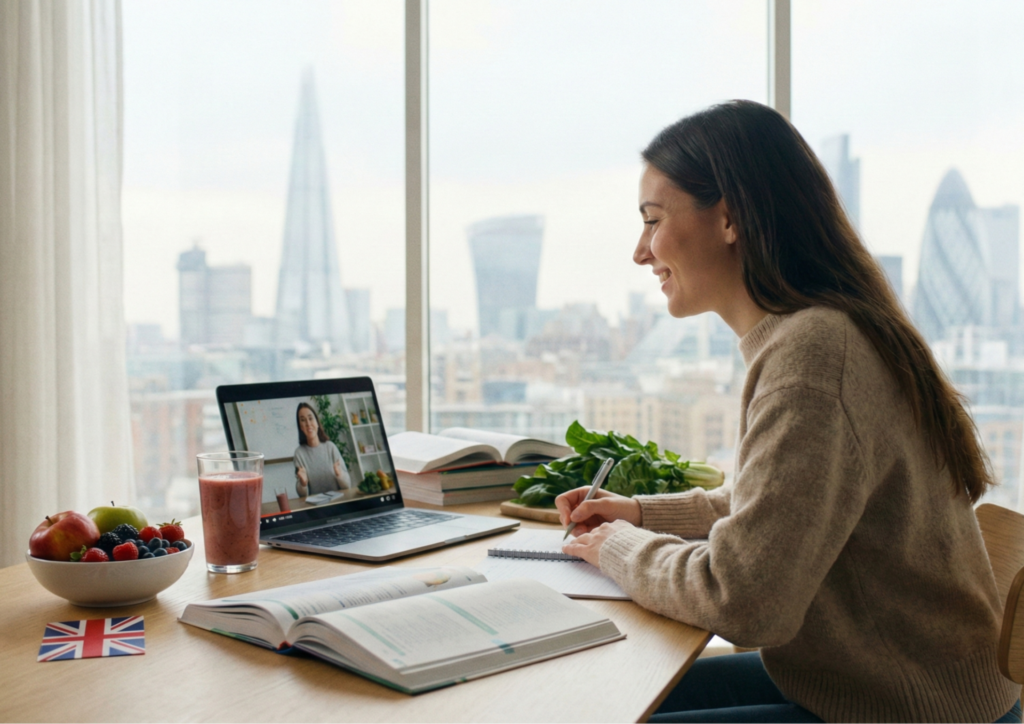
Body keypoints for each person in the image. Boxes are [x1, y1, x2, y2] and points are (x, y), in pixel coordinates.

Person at [557, 100, 1021, 723]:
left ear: (729, 219)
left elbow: (745, 600)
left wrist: (617, 546)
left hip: (903, 709)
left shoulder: (815, 354)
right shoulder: (819, 334)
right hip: (875, 687)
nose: (641, 251)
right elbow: (782, 511)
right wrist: (639, 513)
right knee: (602, 700)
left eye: (652, 220)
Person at [293, 402, 350, 498]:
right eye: (303, 420)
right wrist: (303, 483)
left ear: (317, 423)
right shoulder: (299, 454)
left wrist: (340, 475)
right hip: (316, 508)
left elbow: (347, 485)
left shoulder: (331, 447)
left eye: (311, 418)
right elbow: (302, 495)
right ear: (301, 427)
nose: (308, 424)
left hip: (338, 503)